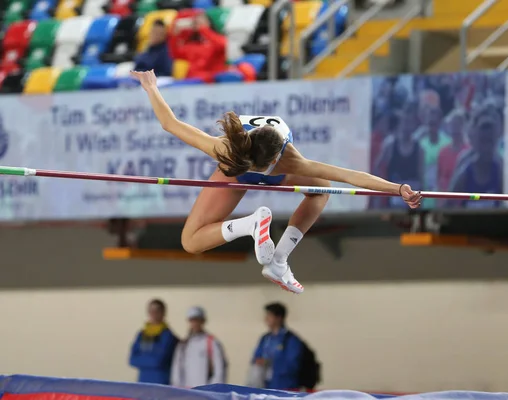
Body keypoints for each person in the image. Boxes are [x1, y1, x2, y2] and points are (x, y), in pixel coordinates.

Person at [129, 70, 422, 294]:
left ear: (274, 159)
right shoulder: (228, 148)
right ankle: (250, 225)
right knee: (190, 241)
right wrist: (151, 87)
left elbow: (352, 177)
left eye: (262, 168)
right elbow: (171, 124)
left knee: (321, 191)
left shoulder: (292, 159)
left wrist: (397, 189)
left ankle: (278, 260)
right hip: (234, 167)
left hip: (244, 166)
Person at [448, 106, 503, 209]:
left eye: (489, 141)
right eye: (483, 140)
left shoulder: (500, 168)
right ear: (476, 136)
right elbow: (449, 202)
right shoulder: (465, 168)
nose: (486, 147)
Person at [373, 102, 423, 209]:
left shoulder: (419, 148)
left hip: (412, 194)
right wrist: (383, 188)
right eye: (404, 122)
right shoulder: (390, 145)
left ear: (414, 126)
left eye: (409, 123)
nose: (406, 126)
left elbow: (421, 175)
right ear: (400, 124)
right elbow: (377, 168)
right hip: (395, 193)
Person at [250, 303, 303, 390]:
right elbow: (256, 358)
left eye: (269, 315)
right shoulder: (265, 339)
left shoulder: (290, 340)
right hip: (265, 387)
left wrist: (271, 363)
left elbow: (292, 365)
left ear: (279, 318)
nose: (266, 319)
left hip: (284, 388)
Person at [171, 307, 227, 388]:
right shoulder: (183, 345)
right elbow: (176, 370)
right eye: (192, 320)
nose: (195, 323)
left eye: (197, 320)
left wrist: (213, 389)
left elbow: (219, 370)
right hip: (187, 391)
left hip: (205, 392)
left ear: (203, 321)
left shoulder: (212, 343)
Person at [129, 299, 179, 385]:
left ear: (163, 313)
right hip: (143, 383)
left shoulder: (167, 335)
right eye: (151, 310)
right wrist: (150, 358)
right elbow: (132, 359)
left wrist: (143, 358)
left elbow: (158, 361)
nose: (154, 313)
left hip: (160, 383)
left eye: (157, 310)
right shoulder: (142, 334)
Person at [169, 13, 227, 83]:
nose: (198, 23)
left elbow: (223, 45)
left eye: (202, 20)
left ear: (209, 23)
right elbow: (176, 54)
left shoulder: (216, 39)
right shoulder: (193, 44)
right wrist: (175, 35)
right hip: (192, 80)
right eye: (196, 21)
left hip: (212, 80)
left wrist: (203, 29)